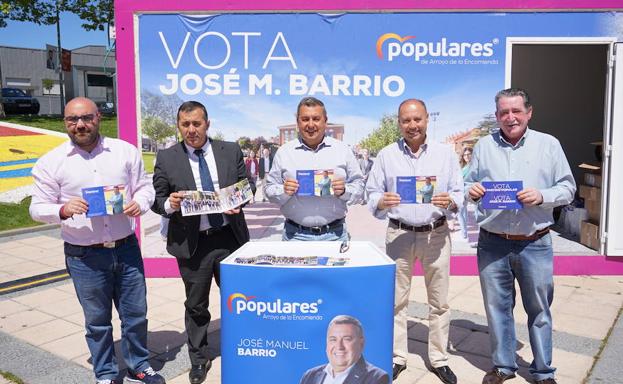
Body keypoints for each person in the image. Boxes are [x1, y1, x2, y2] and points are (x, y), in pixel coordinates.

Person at [29, 97, 164, 384]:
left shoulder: (124, 152)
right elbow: (36, 208)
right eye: (72, 120)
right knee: (97, 321)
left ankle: (139, 365)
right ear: (65, 123)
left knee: (136, 314)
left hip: (126, 248)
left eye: (86, 118)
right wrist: (62, 210)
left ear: (98, 117)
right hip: (84, 256)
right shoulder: (51, 163)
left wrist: (140, 202)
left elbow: (144, 187)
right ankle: (104, 373)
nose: (80, 125)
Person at [465, 88, 575, 384]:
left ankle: (542, 372)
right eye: (503, 112)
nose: (510, 118)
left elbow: (567, 188)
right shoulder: (483, 146)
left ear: (529, 112)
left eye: (516, 111)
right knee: (497, 308)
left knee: (539, 310)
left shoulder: (549, 145)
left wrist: (542, 195)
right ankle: (503, 366)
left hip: (534, 242)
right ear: (497, 115)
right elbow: (468, 184)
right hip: (492, 243)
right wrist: (471, 191)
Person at [151, 101, 252, 384]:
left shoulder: (230, 150)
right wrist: (169, 203)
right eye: (185, 124)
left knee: (239, 300)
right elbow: (157, 200)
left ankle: (243, 348)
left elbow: (248, 185)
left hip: (230, 238)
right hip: (193, 244)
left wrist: (240, 200)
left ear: (207, 123)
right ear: (179, 125)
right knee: (196, 305)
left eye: (197, 123)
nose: (191, 130)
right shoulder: (167, 157)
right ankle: (199, 358)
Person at [366, 98, 463, 384]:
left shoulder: (446, 154)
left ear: (426, 120)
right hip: (399, 233)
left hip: (436, 234)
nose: (412, 125)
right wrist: (381, 201)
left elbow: (459, 190)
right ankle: (398, 356)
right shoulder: (386, 155)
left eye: (417, 119)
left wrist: (452, 201)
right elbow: (371, 193)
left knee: (440, 301)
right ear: (399, 122)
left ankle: (439, 358)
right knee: (396, 301)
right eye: (406, 120)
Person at [265, 97, 364, 241]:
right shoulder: (284, 152)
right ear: (298, 122)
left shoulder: (343, 150)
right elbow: (269, 189)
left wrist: (344, 191)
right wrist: (283, 191)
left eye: (316, 118)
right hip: (295, 236)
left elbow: (360, 187)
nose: (310, 124)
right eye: (305, 119)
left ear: (325, 121)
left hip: (335, 235)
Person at [300, 315, 389, 384]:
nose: (339, 346)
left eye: (347, 339)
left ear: (361, 343)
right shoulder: (310, 375)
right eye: (333, 339)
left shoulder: (376, 378)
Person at [457, 147, 473, 239]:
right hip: (461, 191)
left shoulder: (475, 165)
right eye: (465, 155)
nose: (466, 156)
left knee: (474, 213)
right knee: (461, 212)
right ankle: (464, 233)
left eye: (468, 154)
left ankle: (466, 233)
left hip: (472, 192)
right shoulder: (462, 166)